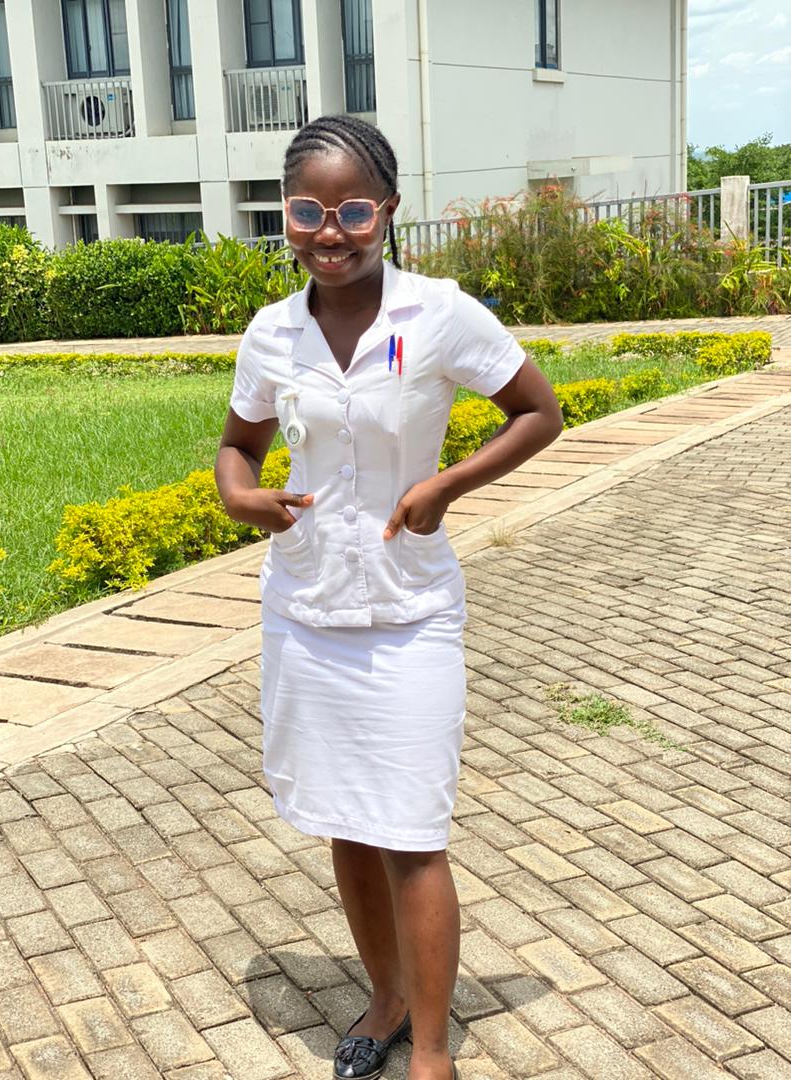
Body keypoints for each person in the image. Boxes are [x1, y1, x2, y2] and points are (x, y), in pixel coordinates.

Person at [215, 114, 563, 1080]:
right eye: (308, 212)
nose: (331, 232)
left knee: (412, 833)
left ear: (390, 211)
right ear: (286, 216)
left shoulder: (440, 314)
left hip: (411, 613)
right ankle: (386, 997)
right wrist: (240, 496)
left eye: (354, 211)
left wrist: (446, 485)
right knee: (347, 824)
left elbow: (538, 413)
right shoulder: (272, 333)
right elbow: (238, 445)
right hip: (306, 611)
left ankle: (434, 1051)